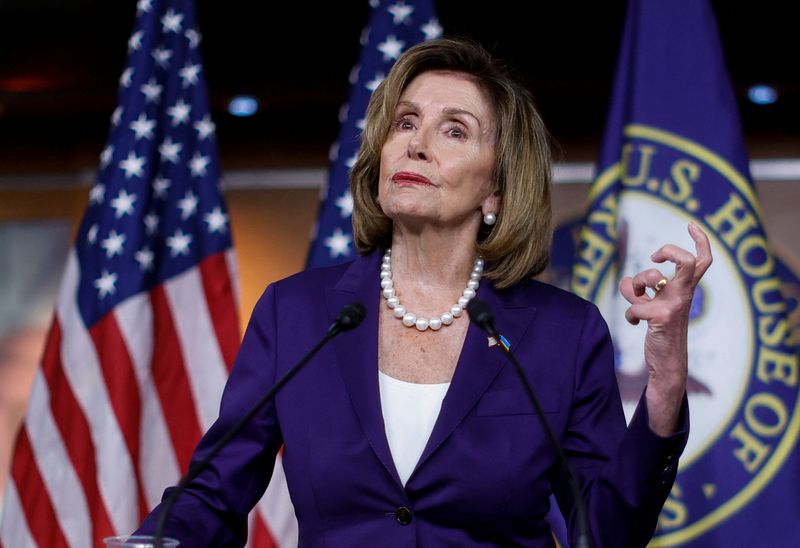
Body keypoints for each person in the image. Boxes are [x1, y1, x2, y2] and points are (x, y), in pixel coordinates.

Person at [137, 37, 712, 547]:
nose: (415, 145)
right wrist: (153, 541)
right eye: (405, 123)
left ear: (495, 190)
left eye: (454, 130)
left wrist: (663, 383)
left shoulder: (563, 334)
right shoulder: (296, 315)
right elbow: (213, 495)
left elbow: (608, 532)